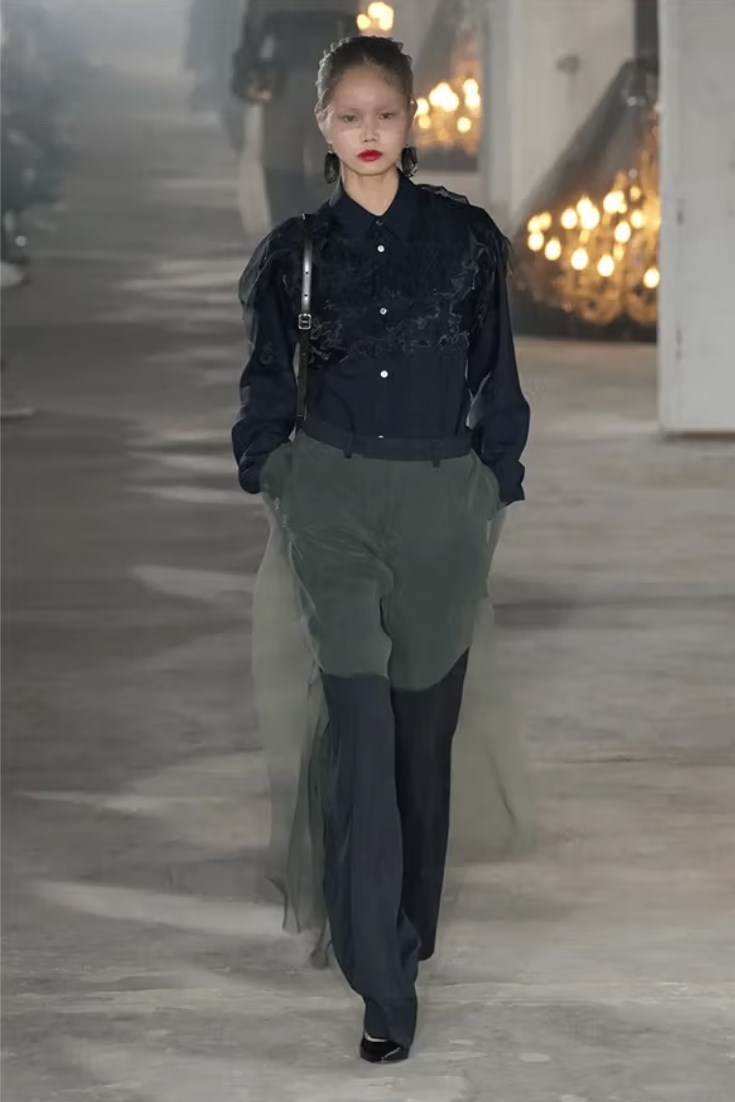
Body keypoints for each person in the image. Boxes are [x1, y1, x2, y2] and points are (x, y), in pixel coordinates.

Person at [232, 35, 530, 1064]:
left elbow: (498, 376)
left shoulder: (466, 243)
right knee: (359, 731)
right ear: (323, 124)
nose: (368, 133)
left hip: (443, 502)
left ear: (411, 121)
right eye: (350, 116)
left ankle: (405, 927)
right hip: (333, 497)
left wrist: (491, 481)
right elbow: (266, 383)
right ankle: (382, 980)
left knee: (418, 743)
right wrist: (276, 470)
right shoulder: (296, 255)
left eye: (386, 115)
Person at [231, 0, 360, 225]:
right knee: (328, 168)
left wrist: (244, 73)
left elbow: (252, 38)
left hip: (284, 84)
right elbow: (354, 38)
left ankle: (290, 231)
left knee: (281, 167)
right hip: (331, 86)